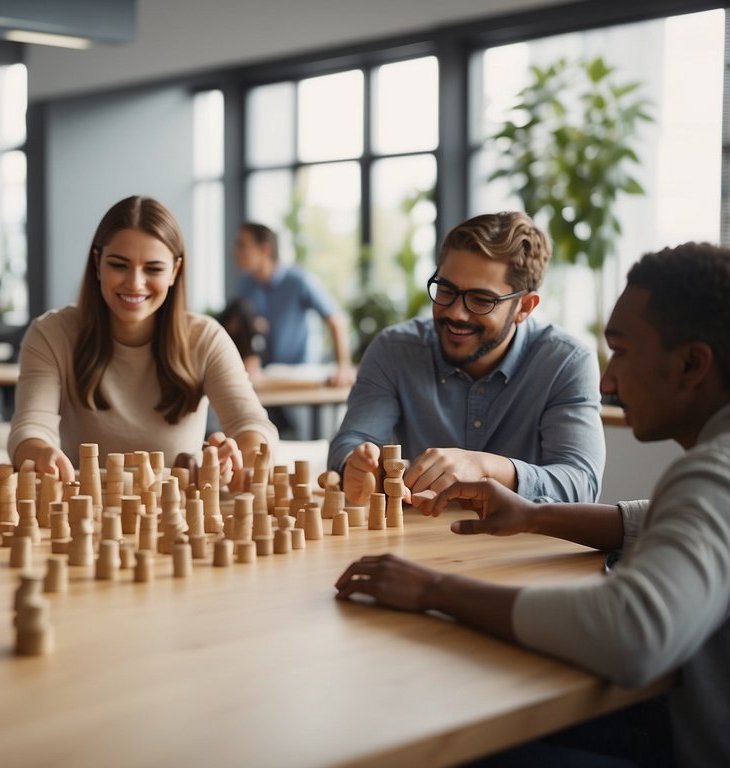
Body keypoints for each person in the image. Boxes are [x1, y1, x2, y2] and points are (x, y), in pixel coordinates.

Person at [335, 242, 730, 766]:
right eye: (447, 292)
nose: (609, 380)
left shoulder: (712, 471)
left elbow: (631, 631)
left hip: (689, 744)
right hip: (678, 714)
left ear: (691, 364)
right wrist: (533, 513)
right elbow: (657, 517)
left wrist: (434, 588)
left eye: (623, 351)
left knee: (446, 747)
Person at [328, 212, 604, 507]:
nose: (456, 313)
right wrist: (354, 464)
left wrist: (485, 468)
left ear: (524, 306)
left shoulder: (566, 362)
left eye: (481, 300)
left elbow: (581, 484)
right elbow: (351, 443)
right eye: (446, 290)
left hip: (525, 548)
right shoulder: (394, 350)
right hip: (418, 543)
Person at [9, 195, 277, 483]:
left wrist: (241, 454)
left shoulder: (206, 338)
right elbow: (30, 430)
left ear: (175, 271)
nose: (135, 283)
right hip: (85, 514)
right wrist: (39, 454)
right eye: (119, 265)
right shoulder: (51, 334)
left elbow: (254, 426)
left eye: (153, 268)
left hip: (180, 517)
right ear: (98, 263)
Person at [234, 222, 355, 387]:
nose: (235, 252)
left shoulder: (299, 281)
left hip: (299, 374)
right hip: (264, 376)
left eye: (242, 245)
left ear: (264, 249)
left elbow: (336, 320)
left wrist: (343, 367)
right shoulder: (246, 285)